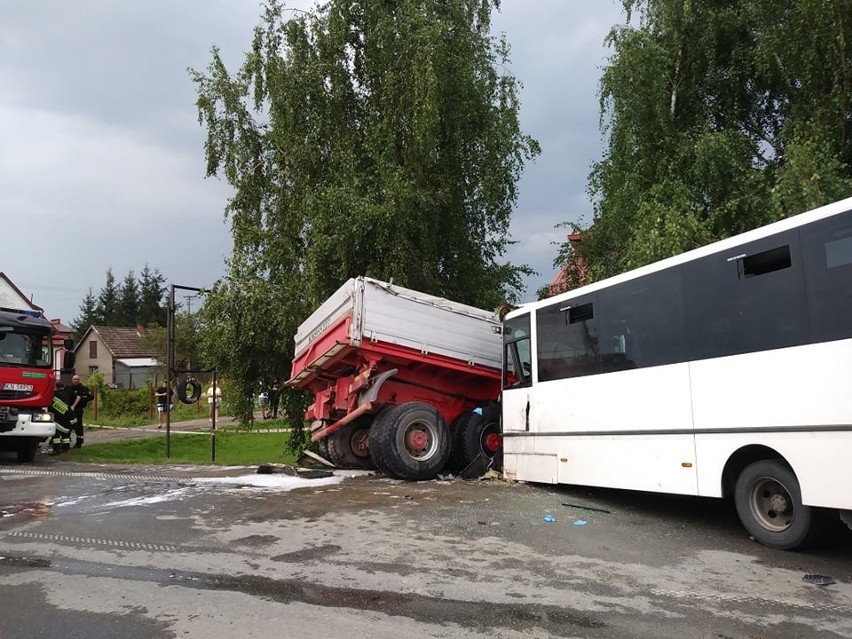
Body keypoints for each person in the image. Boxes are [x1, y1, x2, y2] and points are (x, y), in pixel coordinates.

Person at [48, 381, 76, 454]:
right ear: (63, 386)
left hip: (57, 418)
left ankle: (56, 449)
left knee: (56, 436)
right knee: (66, 435)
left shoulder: (54, 394)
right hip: (66, 417)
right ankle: (65, 449)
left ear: (56, 387)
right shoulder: (67, 393)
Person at [68, 374, 94, 448]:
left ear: (79, 380)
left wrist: (82, 400)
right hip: (69, 409)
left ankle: (79, 442)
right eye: (74, 379)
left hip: (78, 409)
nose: (76, 380)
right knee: (68, 424)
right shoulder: (69, 388)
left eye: (77, 379)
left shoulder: (83, 388)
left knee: (78, 425)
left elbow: (91, 396)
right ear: (72, 380)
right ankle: (66, 442)